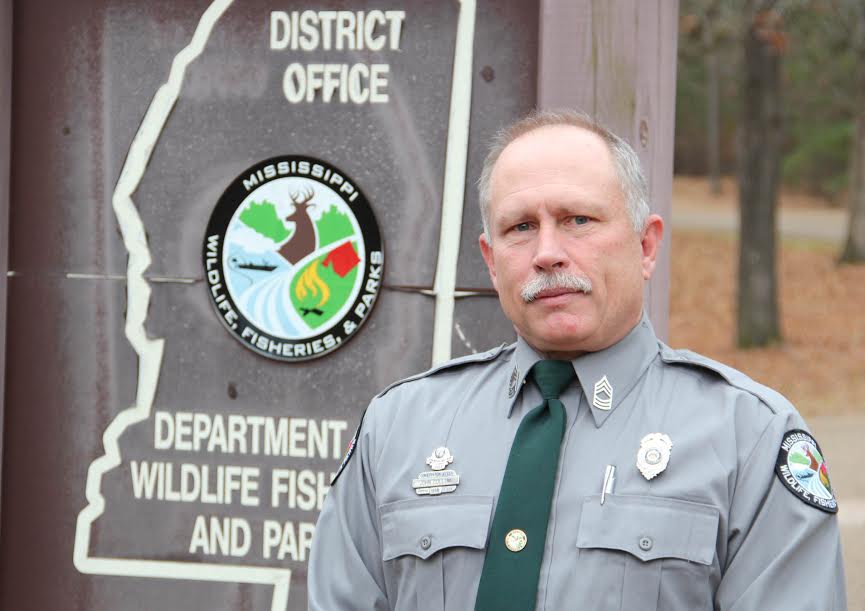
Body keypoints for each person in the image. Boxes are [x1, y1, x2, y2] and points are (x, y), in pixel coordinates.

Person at [308, 109, 847, 610]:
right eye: (520, 227)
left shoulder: (749, 439)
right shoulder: (398, 429)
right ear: (492, 263)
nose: (547, 252)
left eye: (578, 220)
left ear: (646, 245)